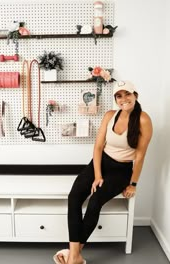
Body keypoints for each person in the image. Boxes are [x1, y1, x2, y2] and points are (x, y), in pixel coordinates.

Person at [53, 80, 153, 264]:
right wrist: (97, 175)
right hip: (99, 163)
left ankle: (74, 255)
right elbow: (98, 146)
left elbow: (140, 157)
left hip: (121, 170)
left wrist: (133, 184)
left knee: (95, 201)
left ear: (135, 95)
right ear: (116, 99)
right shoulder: (110, 115)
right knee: (74, 197)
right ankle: (75, 256)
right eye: (119, 95)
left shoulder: (143, 120)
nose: (123, 99)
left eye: (127, 94)